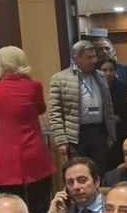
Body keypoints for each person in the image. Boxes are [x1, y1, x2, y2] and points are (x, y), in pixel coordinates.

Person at [0, 46, 55, 213]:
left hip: (6, 157)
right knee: (39, 206)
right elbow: (41, 109)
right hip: (34, 153)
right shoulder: (34, 87)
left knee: (11, 209)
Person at [48, 40, 117, 170]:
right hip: (76, 135)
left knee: (100, 170)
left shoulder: (100, 76)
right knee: (79, 170)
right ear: (76, 58)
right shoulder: (60, 79)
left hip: (99, 132)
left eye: (94, 56)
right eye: (89, 57)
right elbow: (55, 112)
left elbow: (109, 107)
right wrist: (61, 140)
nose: (94, 60)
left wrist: (111, 134)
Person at [40, 158, 104, 213]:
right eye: (70, 182)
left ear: (97, 181)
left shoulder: (112, 207)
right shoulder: (63, 212)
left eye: (82, 180)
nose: (76, 187)